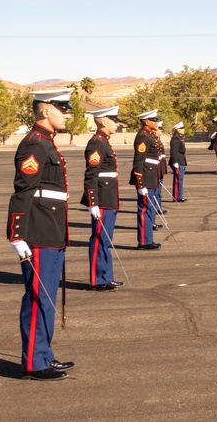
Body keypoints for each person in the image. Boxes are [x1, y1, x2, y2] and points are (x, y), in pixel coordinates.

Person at [6, 88, 75, 380]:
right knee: (38, 298)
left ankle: (44, 355)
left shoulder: (47, 143)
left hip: (51, 230)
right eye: (62, 109)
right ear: (45, 111)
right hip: (38, 232)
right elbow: (23, 191)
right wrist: (16, 235)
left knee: (46, 297)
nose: (66, 114)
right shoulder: (35, 144)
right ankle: (35, 363)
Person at [81, 105, 123, 292]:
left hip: (108, 196)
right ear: (104, 121)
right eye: (114, 120)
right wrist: (93, 203)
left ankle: (106, 276)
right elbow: (91, 174)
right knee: (99, 238)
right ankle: (99, 279)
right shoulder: (98, 143)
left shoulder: (104, 141)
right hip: (102, 197)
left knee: (105, 239)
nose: (117, 124)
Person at [130, 109, 162, 249]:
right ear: (146, 121)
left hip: (151, 176)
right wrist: (141, 184)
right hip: (146, 178)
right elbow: (138, 162)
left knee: (149, 209)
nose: (156, 122)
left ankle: (148, 238)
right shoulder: (143, 137)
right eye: (154, 120)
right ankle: (144, 241)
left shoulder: (149, 135)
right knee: (144, 209)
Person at [169, 122, 187, 202]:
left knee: (180, 179)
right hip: (178, 160)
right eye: (182, 128)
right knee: (178, 179)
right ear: (177, 129)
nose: (183, 130)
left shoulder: (179, 137)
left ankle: (180, 196)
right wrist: (175, 161)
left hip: (181, 160)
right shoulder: (176, 138)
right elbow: (174, 151)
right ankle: (176, 197)